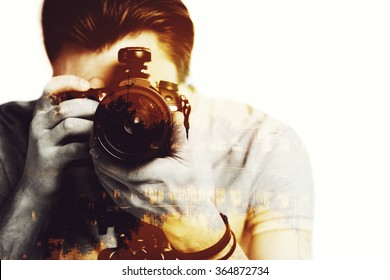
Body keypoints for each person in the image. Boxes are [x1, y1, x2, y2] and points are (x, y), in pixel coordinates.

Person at [0, 0, 314, 260]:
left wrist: (197, 227)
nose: (123, 119)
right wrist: (31, 193)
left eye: (147, 96)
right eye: (94, 98)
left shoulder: (260, 144)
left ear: (185, 86)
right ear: (56, 78)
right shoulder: (11, 135)